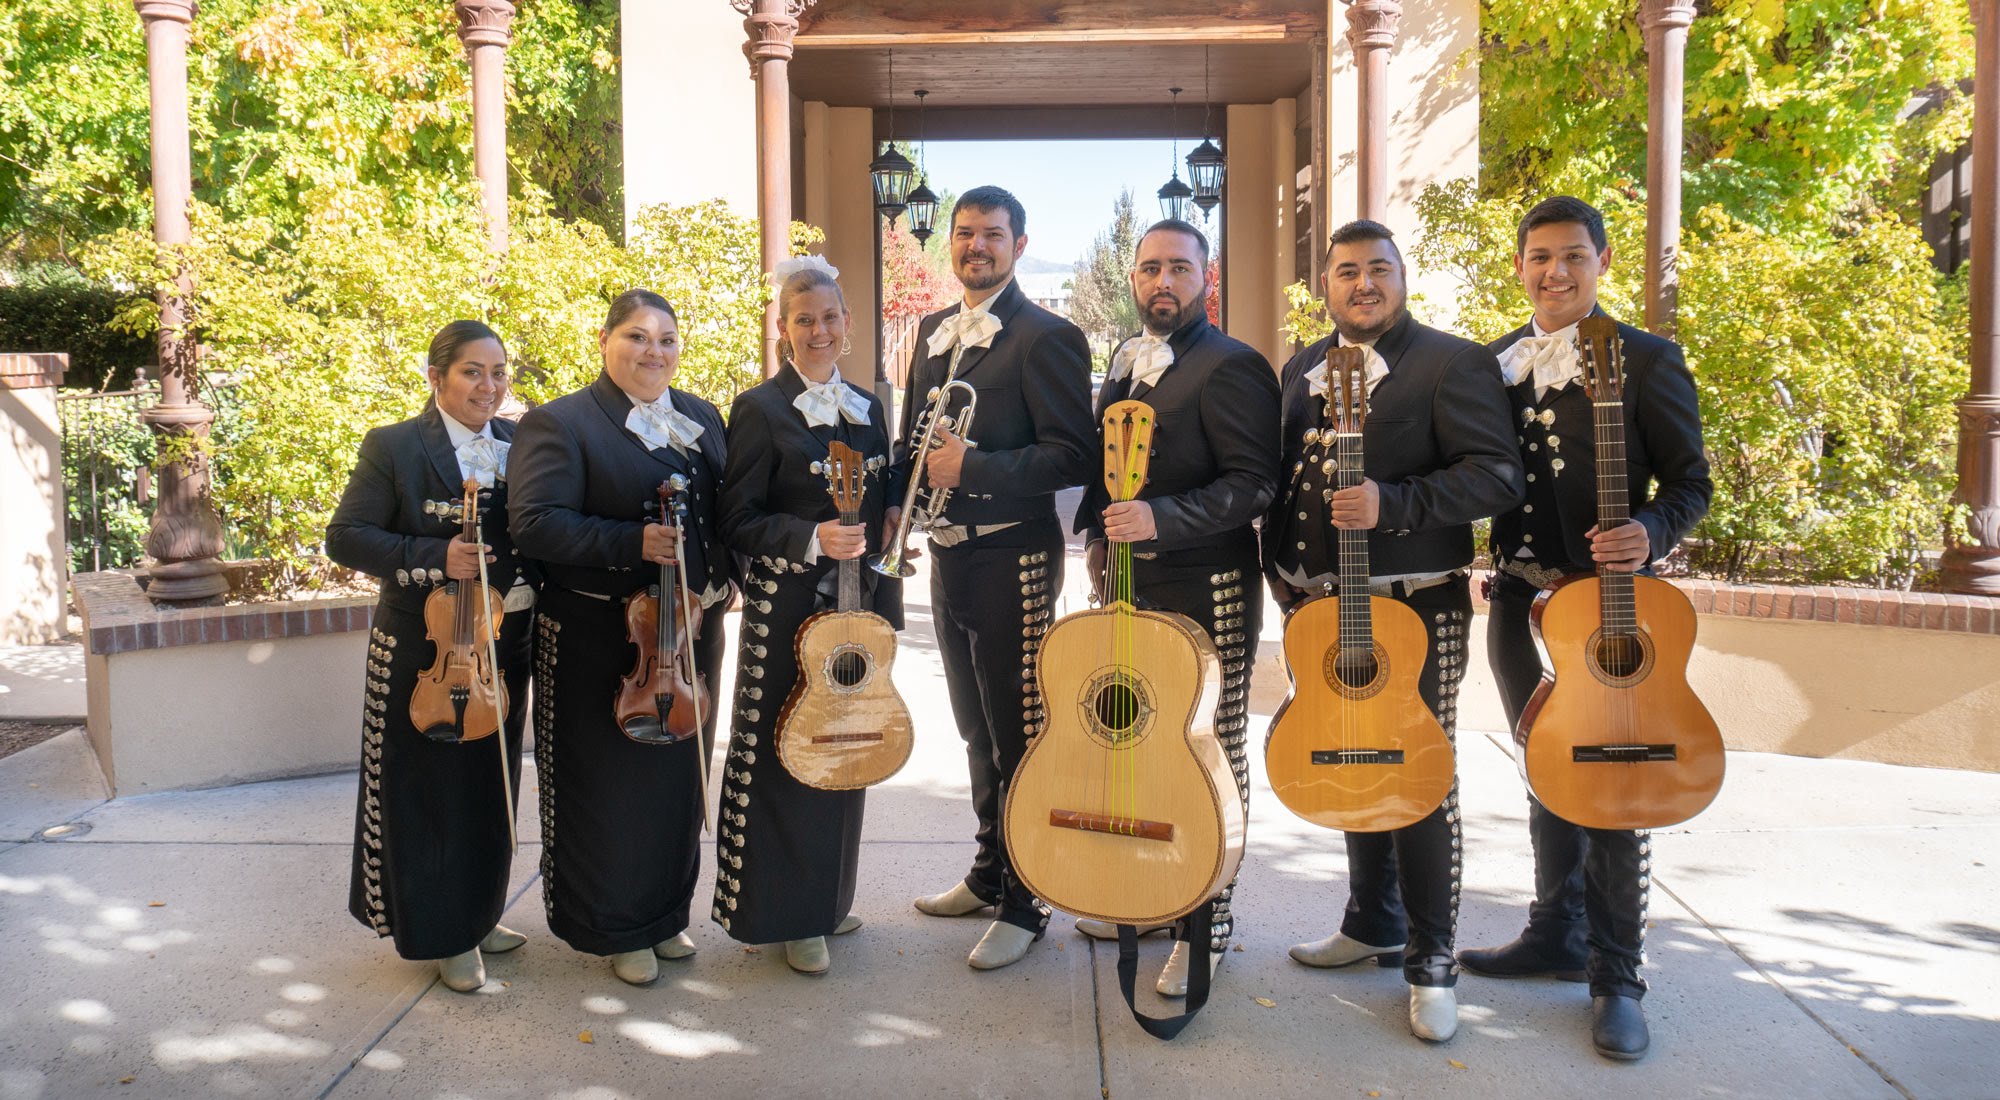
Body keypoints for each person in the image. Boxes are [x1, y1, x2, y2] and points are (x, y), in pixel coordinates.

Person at [1456, 195, 1712, 1061]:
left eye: (1572, 256)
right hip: (1520, 608)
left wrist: (1654, 531)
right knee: (1545, 770)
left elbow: (1690, 484)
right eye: (1539, 257)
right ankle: (1554, 931)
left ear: (1601, 261)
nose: (1554, 273)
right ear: (1520, 264)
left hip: (1605, 615)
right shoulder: (1493, 361)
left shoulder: (1647, 359)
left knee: (1611, 784)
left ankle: (1618, 973)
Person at [1263, 219, 1523, 1042]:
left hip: (1416, 603)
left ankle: (1433, 960)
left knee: (1419, 774)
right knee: (1349, 756)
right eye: (1346, 272)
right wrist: (1281, 578)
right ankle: (1370, 920)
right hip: (1319, 607)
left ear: (1402, 278)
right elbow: (1278, 477)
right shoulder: (1303, 365)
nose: (1363, 284)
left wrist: (1395, 503)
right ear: (1326, 285)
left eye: (1379, 269)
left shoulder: (1454, 361)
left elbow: (1498, 476)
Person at [1068, 219, 1280, 997]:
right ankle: (1159, 901)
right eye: (1150, 268)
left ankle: (1209, 925)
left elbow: (1256, 482)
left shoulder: (1234, 366)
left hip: (1207, 585)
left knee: (1209, 749)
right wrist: (1098, 536)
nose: (1164, 281)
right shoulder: (1126, 359)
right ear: (1132, 278)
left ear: (1206, 276)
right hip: (1132, 583)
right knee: (1144, 744)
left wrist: (1165, 519)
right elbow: (1108, 468)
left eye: (1179, 268)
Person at [507, 289, 733, 987]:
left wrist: (725, 577)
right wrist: (632, 540)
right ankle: (612, 927)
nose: (653, 351)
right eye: (637, 336)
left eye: (666, 338)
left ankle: (663, 917)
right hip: (599, 633)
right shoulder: (561, 423)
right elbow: (534, 524)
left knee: (674, 782)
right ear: (605, 341)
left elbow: (725, 511)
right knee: (606, 787)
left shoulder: (700, 416)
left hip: (689, 632)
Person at [897, 185, 1095, 970]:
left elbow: (1072, 454)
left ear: (1019, 243)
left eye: (992, 235)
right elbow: (916, 435)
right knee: (975, 729)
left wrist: (970, 465)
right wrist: (899, 508)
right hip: (950, 555)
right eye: (965, 233)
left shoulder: (1048, 336)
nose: (976, 246)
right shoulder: (931, 330)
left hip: (1014, 554)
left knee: (1019, 734)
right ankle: (989, 870)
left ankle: (1028, 901)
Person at [326, 320, 537, 993]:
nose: (489, 385)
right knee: (432, 791)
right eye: (473, 371)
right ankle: (443, 932)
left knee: (490, 784)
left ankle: (478, 913)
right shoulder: (394, 447)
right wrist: (430, 556)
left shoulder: (518, 442)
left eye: (499, 371)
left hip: (502, 644)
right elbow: (347, 537)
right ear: (436, 377)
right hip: (427, 647)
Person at [711, 256, 900, 976]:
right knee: (788, 756)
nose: (818, 331)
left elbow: (884, 494)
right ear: (782, 329)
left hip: (859, 610)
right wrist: (808, 537)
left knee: (848, 747)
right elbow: (737, 519)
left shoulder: (869, 407)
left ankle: (826, 899)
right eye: (803, 320)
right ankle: (786, 914)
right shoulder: (759, 409)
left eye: (829, 318)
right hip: (789, 608)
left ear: (847, 325)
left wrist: (888, 520)